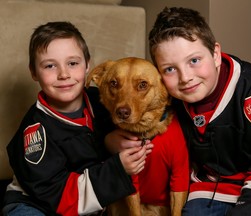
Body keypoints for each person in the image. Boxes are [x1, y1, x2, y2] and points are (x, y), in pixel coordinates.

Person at [107, 6, 251, 216]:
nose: (185, 77)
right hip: (209, 188)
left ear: (216, 53)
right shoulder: (169, 95)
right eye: (170, 69)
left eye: (194, 60)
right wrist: (109, 141)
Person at [2, 21, 150, 216]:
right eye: (49, 66)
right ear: (33, 72)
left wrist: (109, 142)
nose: (64, 74)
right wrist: (117, 169)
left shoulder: (102, 101)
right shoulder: (35, 130)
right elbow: (60, 196)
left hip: (87, 201)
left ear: (87, 65)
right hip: (36, 203)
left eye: (72, 63)